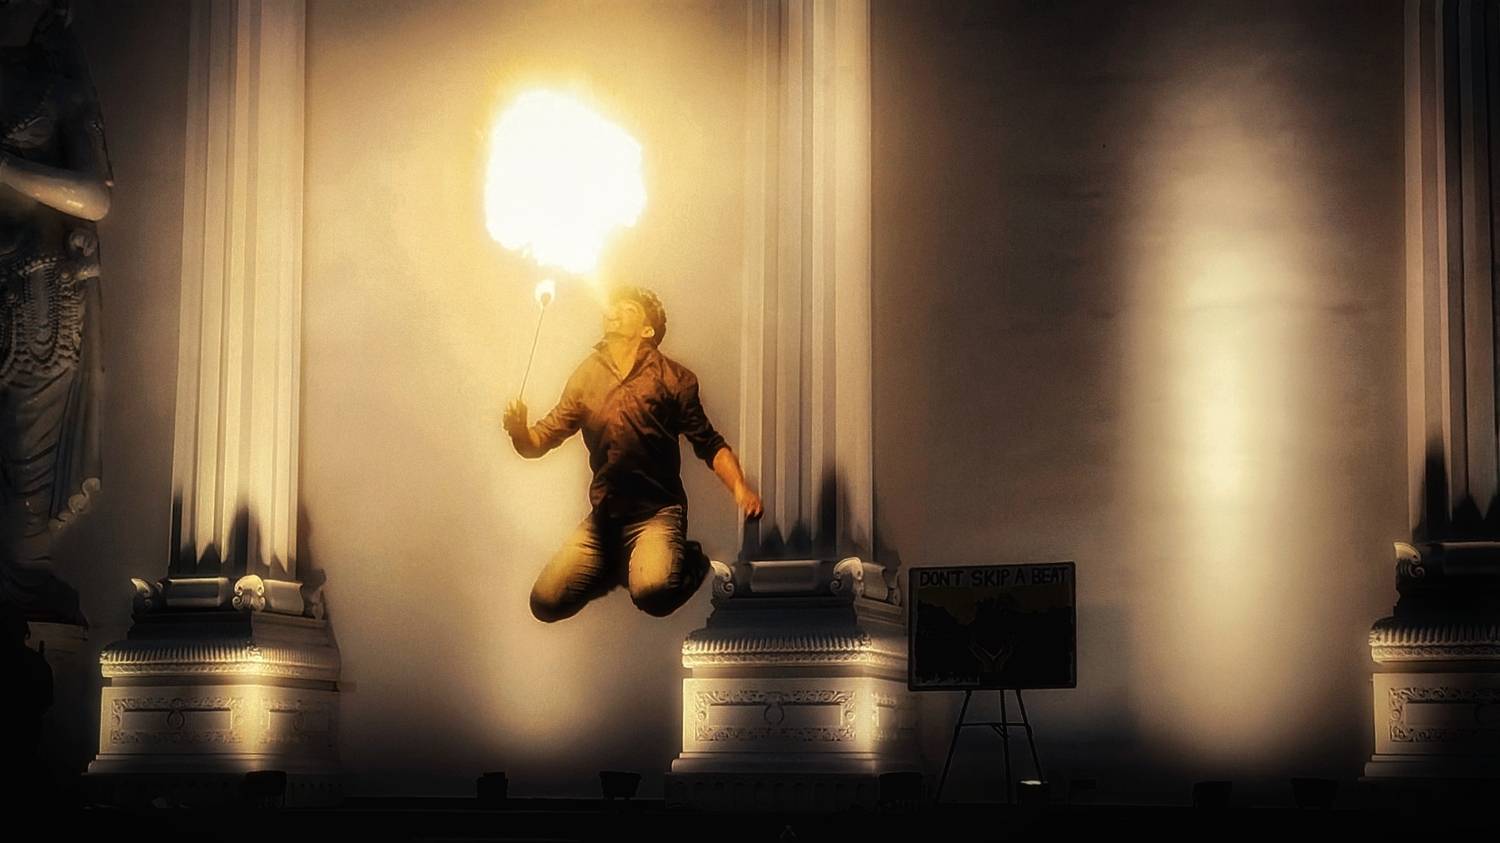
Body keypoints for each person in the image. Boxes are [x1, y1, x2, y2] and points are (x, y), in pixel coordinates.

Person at [503, 285, 761, 621]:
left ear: (647, 330)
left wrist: (739, 488)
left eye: (628, 309)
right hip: (604, 519)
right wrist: (520, 431)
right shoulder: (586, 375)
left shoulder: (674, 379)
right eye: (614, 307)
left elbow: (709, 443)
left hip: (655, 515)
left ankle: (692, 560)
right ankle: (616, 564)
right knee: (545, 604)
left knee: (653, 594)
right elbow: (538, 442)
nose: (614, 312)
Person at [0, 0, 111, 626]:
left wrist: (7, 168)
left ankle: (24, 584)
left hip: (37, 292)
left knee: (26, 456)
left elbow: (95, 197)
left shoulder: (58, 85)